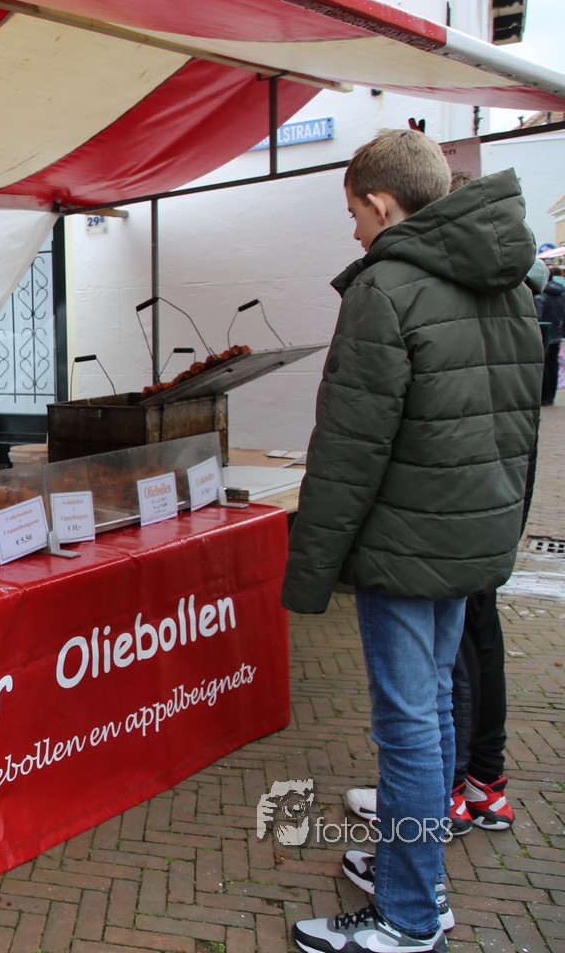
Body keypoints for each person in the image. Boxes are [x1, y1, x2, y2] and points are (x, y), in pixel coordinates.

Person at [284, 129, 542, 953]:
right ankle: (414, 875)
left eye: (354, 213)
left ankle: (409, 916)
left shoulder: (385, 288)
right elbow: (523, 427)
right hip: (470, 535)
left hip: (403, 547)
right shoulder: (509, 281)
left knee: (409, 727)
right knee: (429, 712)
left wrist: (308, 571)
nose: (355, 230)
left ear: (382, 204)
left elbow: (349, 449)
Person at [538, 265, 564, 405]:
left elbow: (539, 315)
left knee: (544, 364)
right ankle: (551, 396)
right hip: (557, 332)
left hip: (544, 333)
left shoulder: (541, 294)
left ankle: (544, 396)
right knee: (553, 363)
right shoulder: (561, 293)